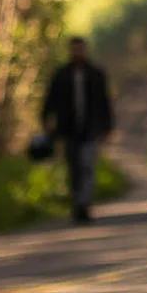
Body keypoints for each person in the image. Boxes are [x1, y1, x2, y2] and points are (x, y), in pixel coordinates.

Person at [40, 37, 113, 223]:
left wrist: (107, 127)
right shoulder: (61, 75)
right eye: (74, 49)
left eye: (80, 49)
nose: (77, 52)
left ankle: (84, 205)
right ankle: (77, 204)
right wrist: (47, 121)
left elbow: (104, 102)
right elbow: (50, 101)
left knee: (87, 167)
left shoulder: (95, 74)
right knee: (74, 169)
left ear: (85, 50)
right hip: (68, 130)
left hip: (90, 129)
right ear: (70, 50)